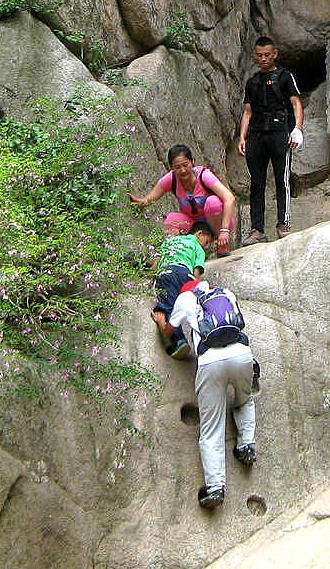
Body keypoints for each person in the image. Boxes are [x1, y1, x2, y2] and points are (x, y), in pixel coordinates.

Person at [168, 276, 257, 508]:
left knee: (211, 428)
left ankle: (216, 487)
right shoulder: (226, 293)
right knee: (244, 400)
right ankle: (246, 445)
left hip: (210, 362)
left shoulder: (184, 299)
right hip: (241, 354)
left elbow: (171, 327)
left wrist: (161, 321)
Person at [237, 36, 303, 242]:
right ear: (255, 56)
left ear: (275, 54)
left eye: (267, 54)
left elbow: (296, 104)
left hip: (279, 132)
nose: (264, 58)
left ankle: (283, 224)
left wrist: (297, 129)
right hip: (256, 134)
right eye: (259, 55)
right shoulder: (252, 82)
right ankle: (257, 230)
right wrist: (242, 137)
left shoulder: (285, 77)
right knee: (256, 182)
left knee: (282, 179)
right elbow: (247, 112)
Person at [129, 145, 238, 256]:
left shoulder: (204, 175)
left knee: (212, 202)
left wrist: (224, 230)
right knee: (172, 219)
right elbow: (149, 199)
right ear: (171, 168)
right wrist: (138, 203)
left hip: (218, 223)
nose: (183, 170)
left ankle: (221, 244)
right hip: (195, 225)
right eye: (177, 167)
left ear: (192, 162)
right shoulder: (171, 179)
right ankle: (171, 255)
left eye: (185, 165)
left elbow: (229, 198)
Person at [149, 219, 217, 358]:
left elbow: (156, 262)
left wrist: (151, 280)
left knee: (169, 305)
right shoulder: (197, 247)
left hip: (166, 272)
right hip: (185, 274)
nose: (205, 245)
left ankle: (178, 341)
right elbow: (196, 271)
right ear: (199, 234)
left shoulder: (170, 242)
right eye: (206, 241)